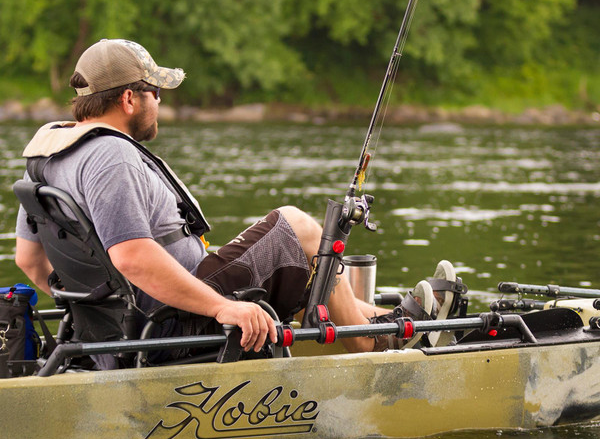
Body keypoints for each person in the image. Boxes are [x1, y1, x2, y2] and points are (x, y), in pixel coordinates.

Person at [14, 39, 460, 363]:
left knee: (296, 272)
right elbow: (132, 257)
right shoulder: (111, 157)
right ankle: (374, 344)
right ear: (129, 98)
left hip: (128, 320)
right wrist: (223, 307)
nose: (160, 101)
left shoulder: (49, 157)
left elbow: (29, 261)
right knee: (297, 226)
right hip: (172, 322)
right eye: (155, 92)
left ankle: (399, 320)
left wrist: (100, 309)